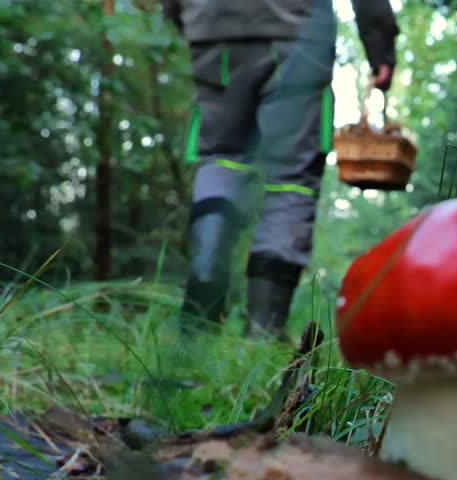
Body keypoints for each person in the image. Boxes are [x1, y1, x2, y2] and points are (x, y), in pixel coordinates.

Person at [160, 0, 399, 340]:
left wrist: (183, 15)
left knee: (221, 159)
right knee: (291, 177)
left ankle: (204, 291)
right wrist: (380, 47)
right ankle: (264, 326)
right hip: (297, 29)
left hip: (212, 24)